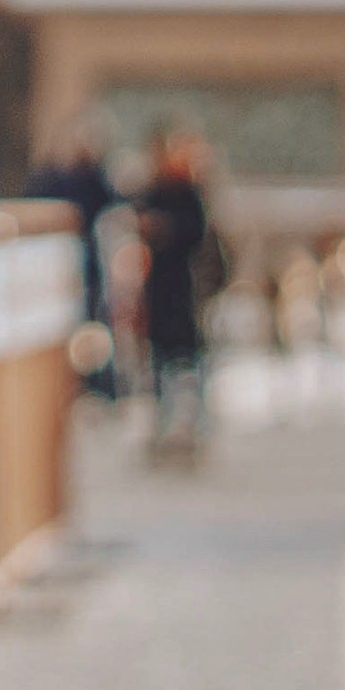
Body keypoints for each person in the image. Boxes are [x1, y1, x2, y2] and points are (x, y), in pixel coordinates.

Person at [133, 127, 222, 460]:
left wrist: (166, 229)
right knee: (159, 362)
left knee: (188, 360)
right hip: (158, 289)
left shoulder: (191, 195)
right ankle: (163, 426)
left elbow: (197, 237)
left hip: (185, 289)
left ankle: (191, 427)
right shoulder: (153, 191)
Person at [26, 123, 118, 395]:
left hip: (85, 266)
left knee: (88, 324)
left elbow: (114, 201)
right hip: (54, 268)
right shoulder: (49, 180)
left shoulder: (93, 179)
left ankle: (92, 383)